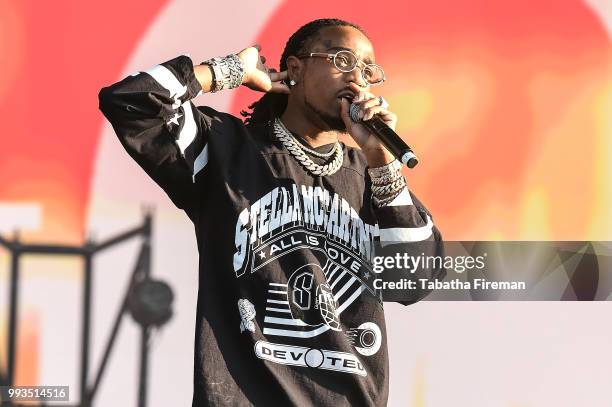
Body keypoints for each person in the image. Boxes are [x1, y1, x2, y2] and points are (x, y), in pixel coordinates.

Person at [99, 17, 443, 407]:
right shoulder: (225, 149)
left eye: (368, 70)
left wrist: (383, 163)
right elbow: (130, 102)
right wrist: (227, 71)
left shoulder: (371, 178)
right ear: (295, 69)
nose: (358, 78)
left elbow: (414, 279)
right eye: (343, 59)